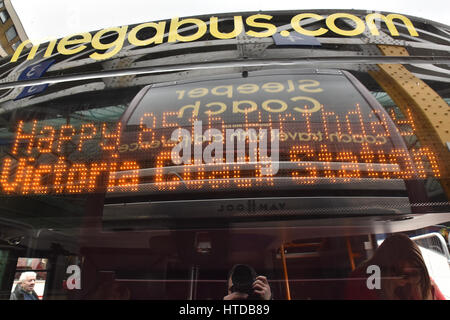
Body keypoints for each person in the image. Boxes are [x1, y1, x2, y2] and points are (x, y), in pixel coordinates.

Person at [345, 233, 445, 300]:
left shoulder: (423, 281)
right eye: (399, 273)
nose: (405, 280)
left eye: (414, 273)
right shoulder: (364, 280)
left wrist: (417, 292)